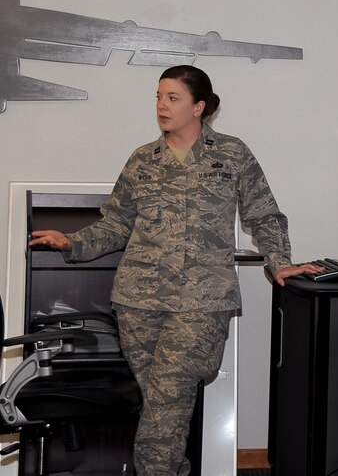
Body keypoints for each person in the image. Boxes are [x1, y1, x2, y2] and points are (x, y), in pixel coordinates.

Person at [29, 64, 321, 476]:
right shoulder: (142, 159)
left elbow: (264, 215)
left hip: (203, 304)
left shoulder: (231, 153)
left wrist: (279, 262)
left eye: (172, 98)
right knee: (166, 409)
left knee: (167, 401)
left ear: (198, 106)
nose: (162, 106)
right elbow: (116, 224)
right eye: (158, 97)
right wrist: (72, 242)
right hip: (137, 303)